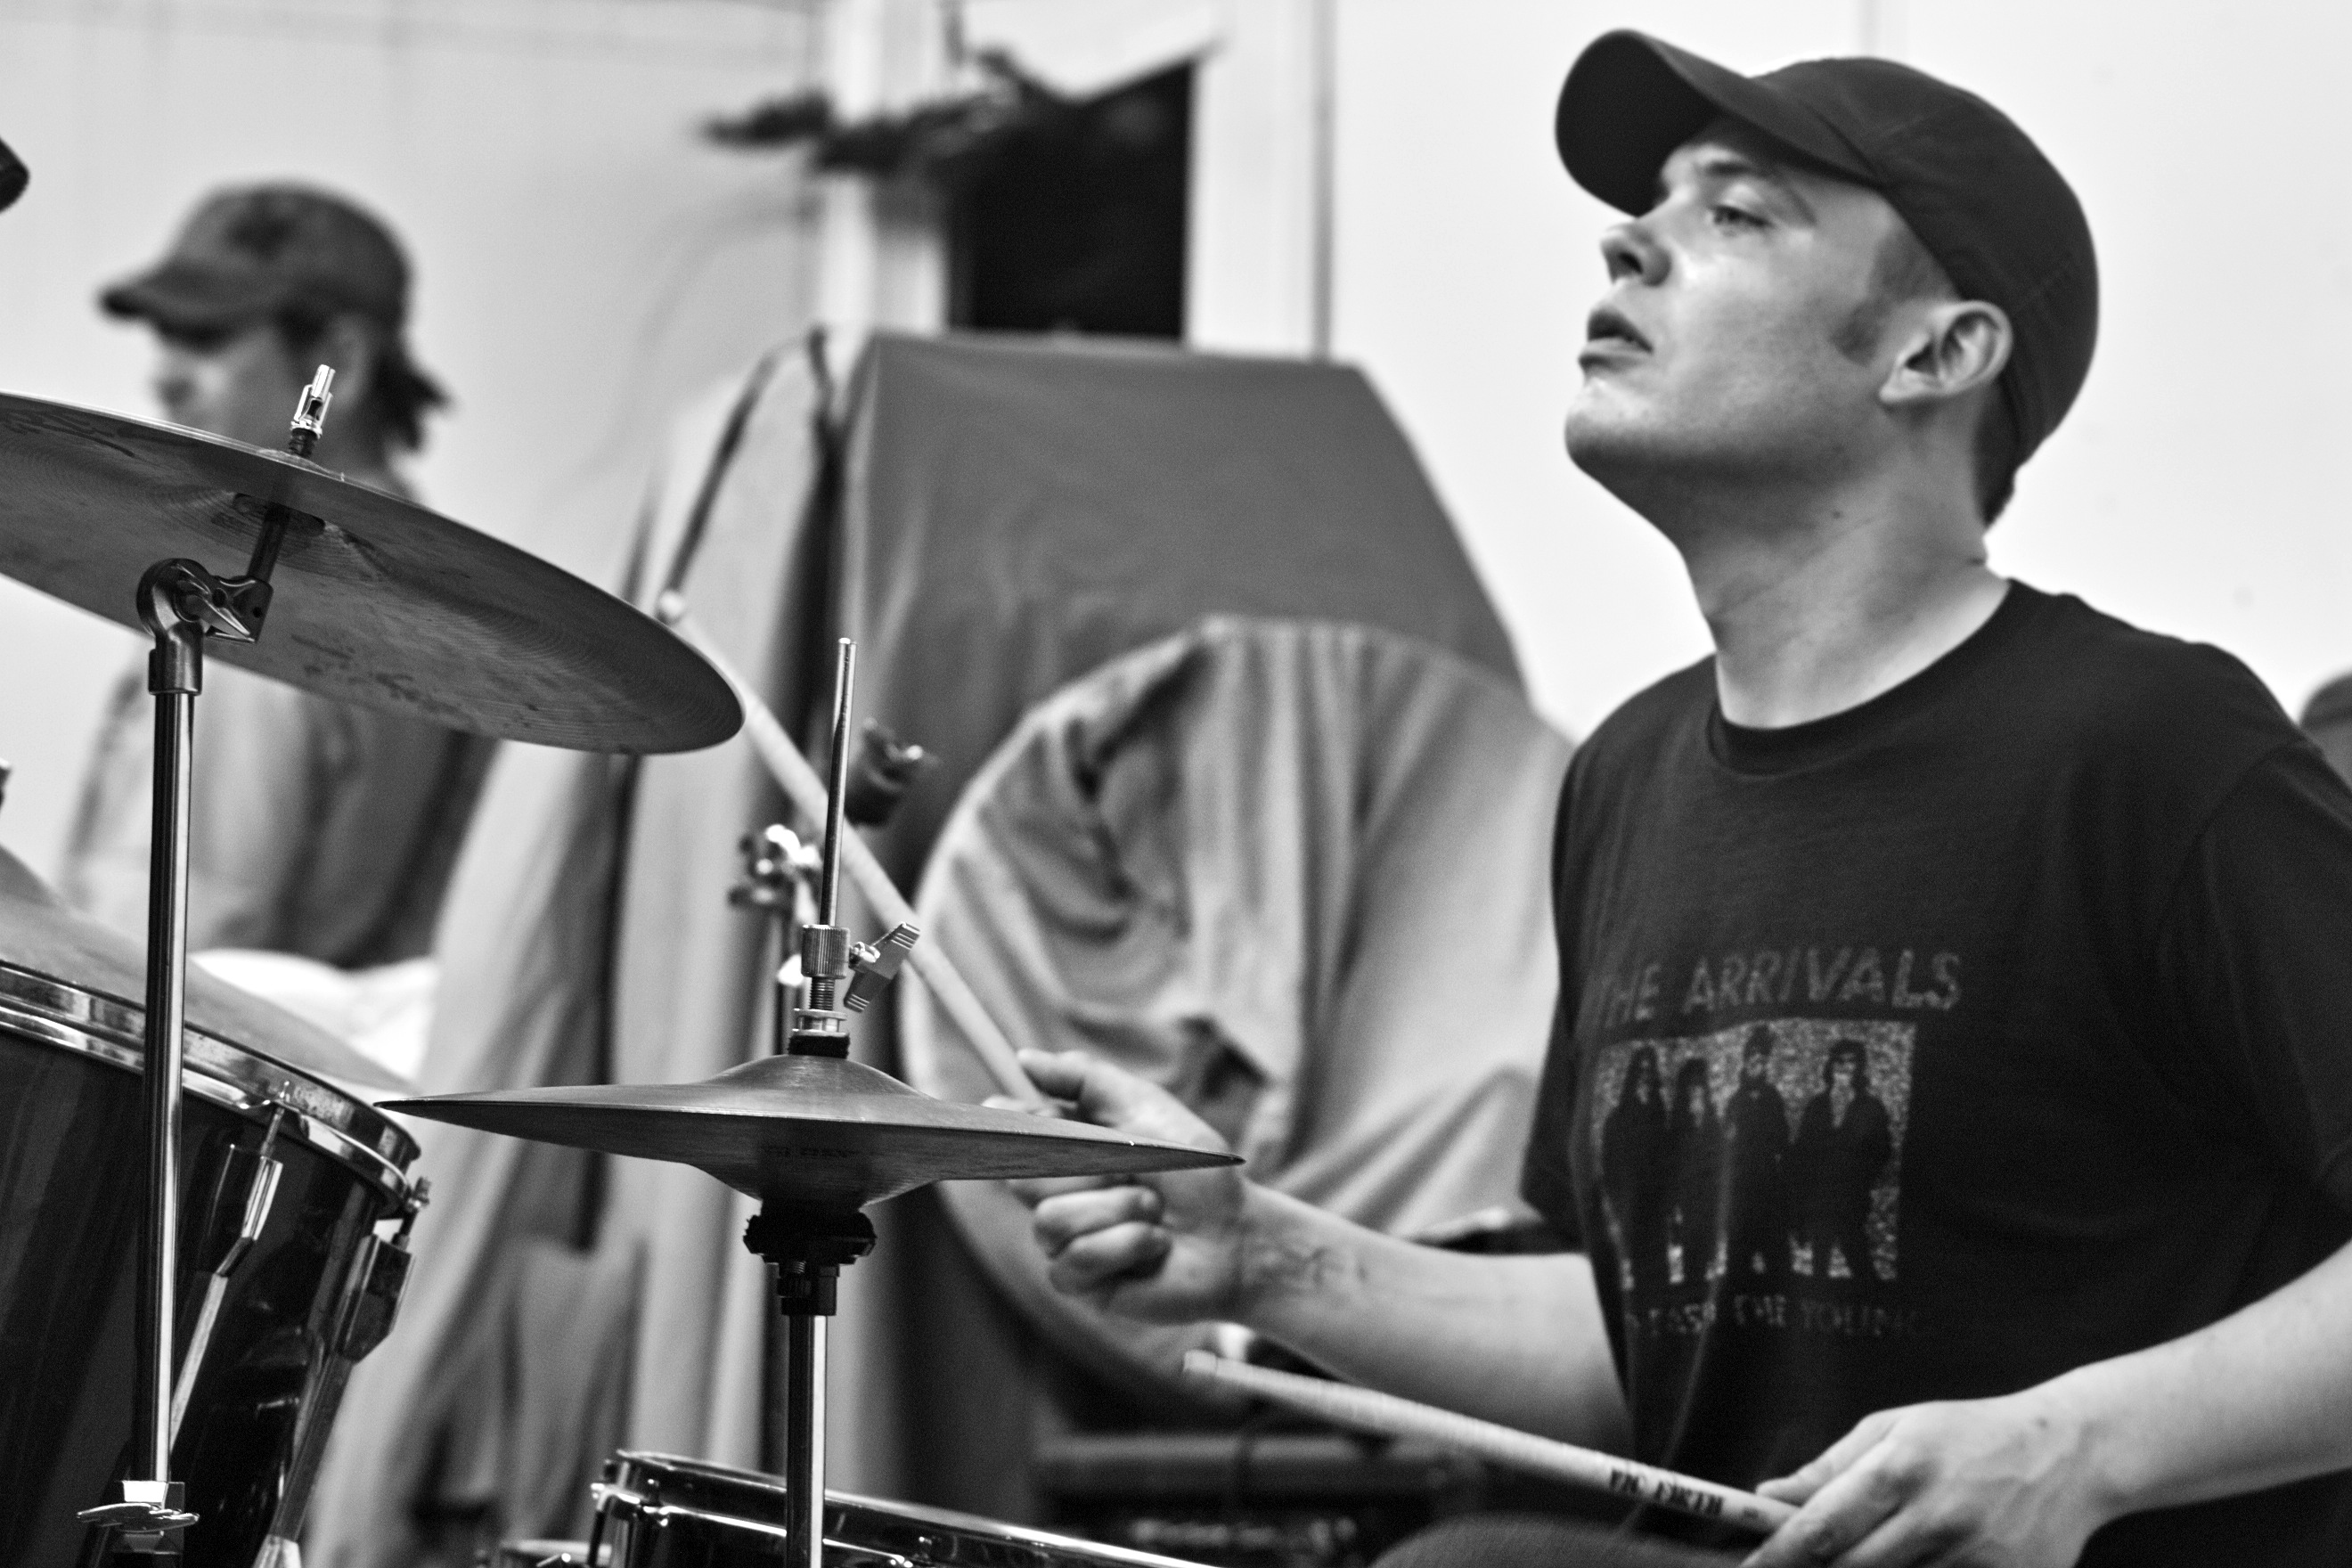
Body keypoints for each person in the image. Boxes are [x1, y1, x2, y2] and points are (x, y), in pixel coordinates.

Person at [1006, 29, 2352, 1568]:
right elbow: (1642, 1341)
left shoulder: (2150, 747)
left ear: (1935, 355)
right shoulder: (1628, 777)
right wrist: (1264, 1257)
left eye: (1736, 212)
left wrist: (2081, 1449)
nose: (1628, 240)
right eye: (1650, 203)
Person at [61, 185, 494, 984]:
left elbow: (175, 944)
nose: (164, 375)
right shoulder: (425, 587)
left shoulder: (261, 599)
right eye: (163, 338)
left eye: (205, 337)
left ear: (340, 364)